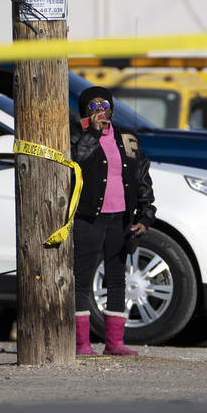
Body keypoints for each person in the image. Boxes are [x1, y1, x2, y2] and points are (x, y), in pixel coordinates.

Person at [69, 85, 156, 356]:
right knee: (82, 280)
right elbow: (79, 158)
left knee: (117, 279)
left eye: (104, 106)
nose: (99, 112)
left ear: (111, 109)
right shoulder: (76, 134)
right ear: (85, 110)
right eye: (93, 107)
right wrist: (93, 131)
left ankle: (114, 343)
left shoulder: (127, 138)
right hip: (89, 218)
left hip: (120, 220)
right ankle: (81, 344)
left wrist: (145, 215)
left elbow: (141, 178)